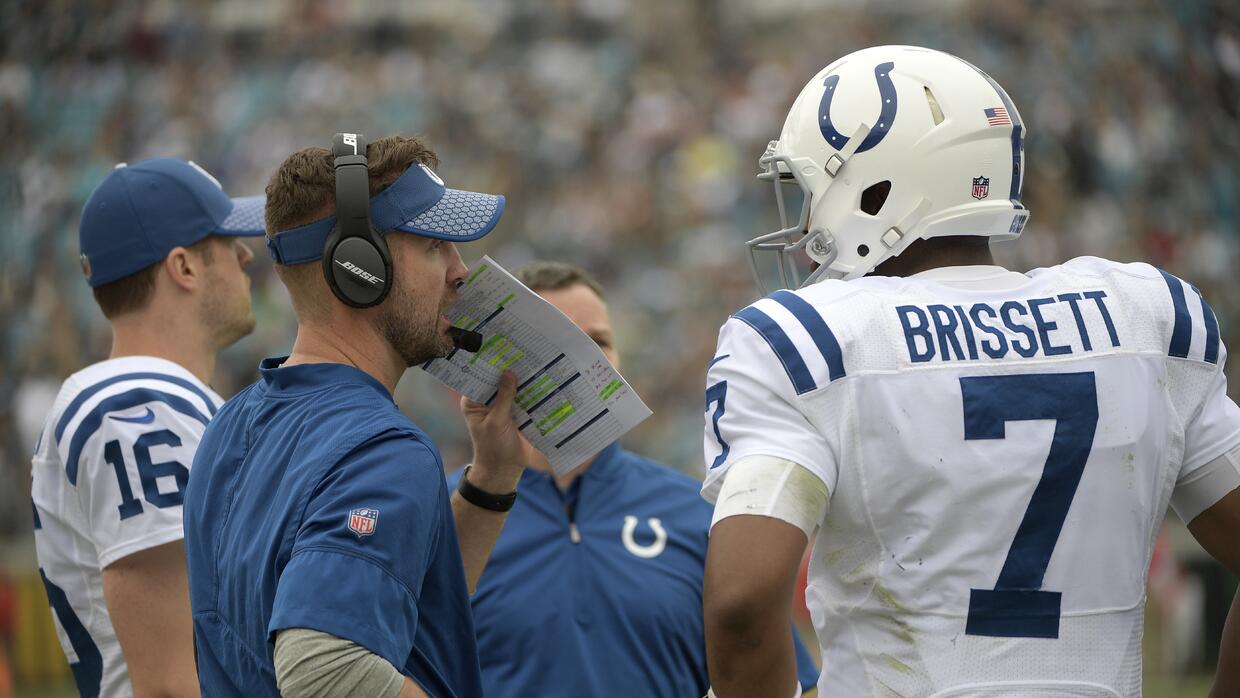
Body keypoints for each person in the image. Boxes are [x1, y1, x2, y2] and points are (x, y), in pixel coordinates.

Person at [701, 45, 1240, 698]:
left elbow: (741, 605)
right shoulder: (1146, 317)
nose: (808, 221)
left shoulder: (809, 339)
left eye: (812, 192)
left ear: (876, 190)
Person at [183, 134, 523, 698]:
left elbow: (393, 598)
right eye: (435, 245)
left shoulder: (230, 425)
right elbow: (324, 670)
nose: (461, 271)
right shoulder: (383, 448)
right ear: (360, 267)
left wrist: (491, 483)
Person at [448, 261, 820, 697]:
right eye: (559, 344)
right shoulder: (451, 516)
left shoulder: (698, 511)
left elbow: (787, 683)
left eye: (599, 342)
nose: (586, 362)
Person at [30, 158, 264, 697]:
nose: (246, 254)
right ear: (184, 267)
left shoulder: (167, 398)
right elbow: (175, 684)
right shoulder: (137, 401)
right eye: (226, 240)